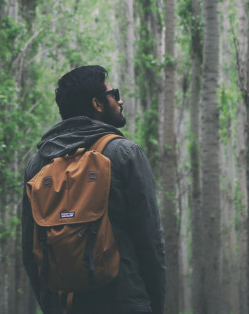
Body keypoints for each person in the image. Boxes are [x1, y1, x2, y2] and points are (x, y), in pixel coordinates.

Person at [21, 65, 166, 314]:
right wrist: (151, 304)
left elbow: (30, 252)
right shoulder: (125, 154)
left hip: (64, 305)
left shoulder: (38, 164)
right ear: (97, 104)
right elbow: (150, 243)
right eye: (114, 94)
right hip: (124, 301)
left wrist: (51, 306)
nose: (120, 100)